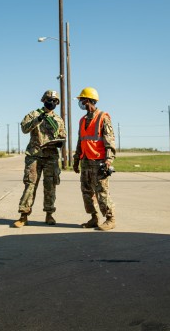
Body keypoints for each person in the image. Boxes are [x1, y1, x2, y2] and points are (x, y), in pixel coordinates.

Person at [13, 90, 66, 228]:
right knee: (30, 185)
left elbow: (63, 135)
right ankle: (23, 216)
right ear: (43, 100)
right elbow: (24, 128)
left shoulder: (59, 120)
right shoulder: (34, 114)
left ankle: (49, 214)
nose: (52, 102)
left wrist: (60, 142)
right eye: (50, 99)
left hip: (51, 156)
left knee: (50, 186)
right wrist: (38, 119)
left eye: (55, 101)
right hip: (35, 155)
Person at [73, 87, 117, 231]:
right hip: (85, 161)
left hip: (99, 162)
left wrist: (108, 160)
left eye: (82, 100)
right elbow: (81, 141)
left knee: (102, 192)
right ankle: (93, 218)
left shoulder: (103, 117)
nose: (80, 103)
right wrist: (76, 159)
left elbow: (109, 141)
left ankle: (110, 219)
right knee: (86, 192)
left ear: (88, 100)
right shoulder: (82, 120)